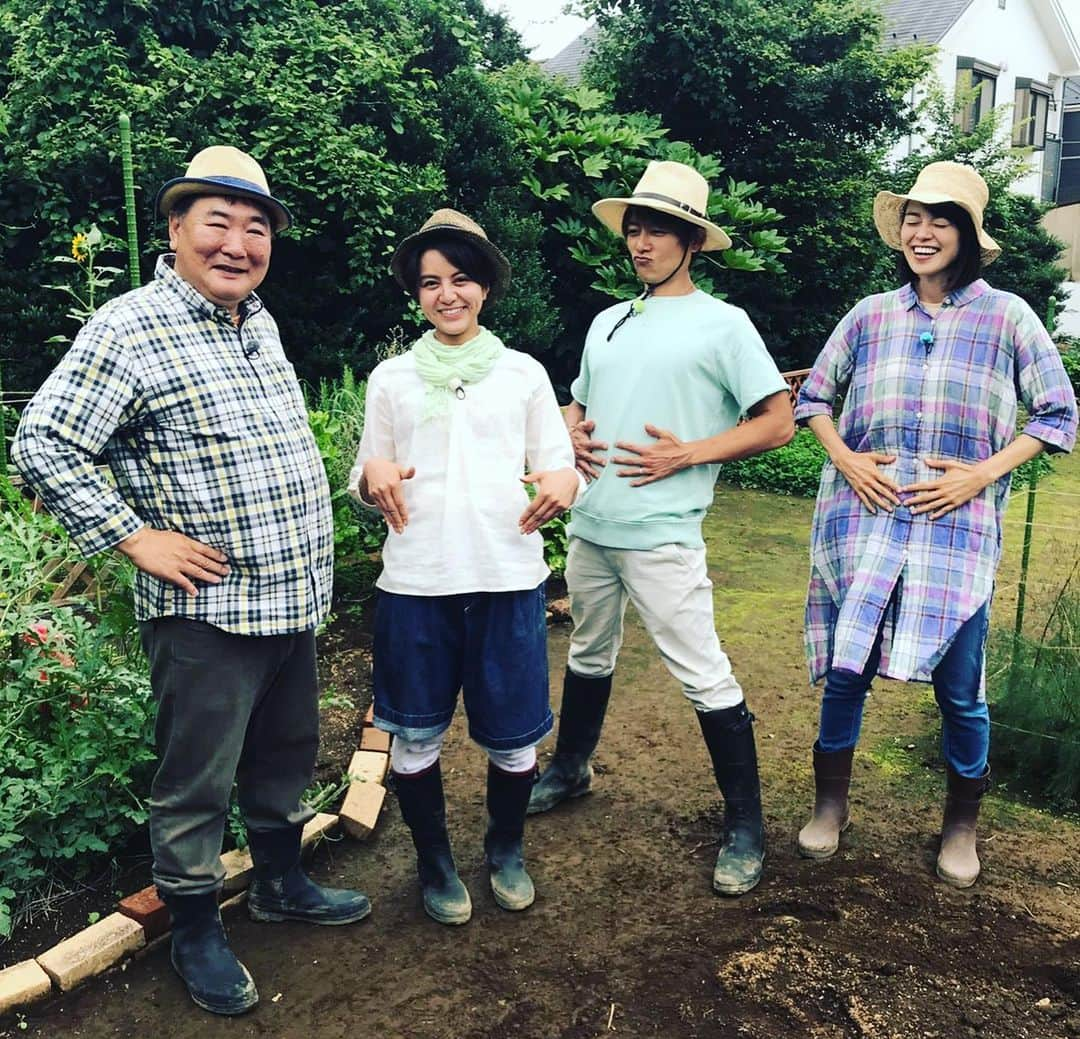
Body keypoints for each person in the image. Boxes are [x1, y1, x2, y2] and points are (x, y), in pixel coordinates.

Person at [13, 146, 370, 1016]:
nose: (238, 243)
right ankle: (197, 928)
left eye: (256, 228)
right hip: (208, 613)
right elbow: (44, 442)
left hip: (288, 601)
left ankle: (281, 883)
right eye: (218, 222)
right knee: (197, 782)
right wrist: (133, 537)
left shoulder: (261, 321)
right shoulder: (127, 327)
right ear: (175, 232)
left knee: (284, 756)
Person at [794, 161, 1077, 887]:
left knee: (961, 684)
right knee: (847, 670)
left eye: (940, 220)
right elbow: (813, 399)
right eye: (914, 219)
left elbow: (1056, 414)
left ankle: (961, 826)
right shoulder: (869, 314)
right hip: (866, 515)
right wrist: (849, 460)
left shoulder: (1008, 315)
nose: (923, 233)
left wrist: (984, 473)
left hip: (957, 527)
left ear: (967, 236)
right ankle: (831, 805)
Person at [526, 161, 795, 897]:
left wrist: (689, 452)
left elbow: (777, 422)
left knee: (702, 671)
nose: (641, 243)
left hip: (664, 533)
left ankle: (746, 826)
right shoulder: (608, 320)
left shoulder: (723, 325)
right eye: (635, 229)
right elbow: (576, 407)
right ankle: (571, 769)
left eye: (658, 231)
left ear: (692, 242)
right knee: (587, 650)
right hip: (591, 525)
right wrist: (567, 435)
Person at [349, 209, 579, 925]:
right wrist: (372, 474)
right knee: (415, 733)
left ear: (485, 286)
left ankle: (505, 850)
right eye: (430, 283)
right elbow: (367, 472)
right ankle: (436, 862)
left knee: (513, 737)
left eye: (461, 279)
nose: (447, 294)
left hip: (507, 578)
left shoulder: (522, 374)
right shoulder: (392, 378)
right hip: (417, 583)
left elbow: (558, 462)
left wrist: (565, 483)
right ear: (416, 294)